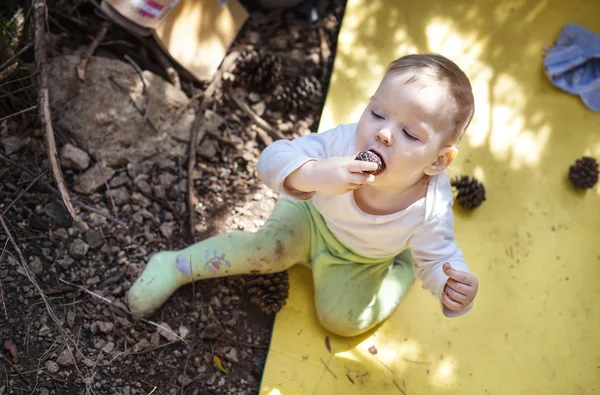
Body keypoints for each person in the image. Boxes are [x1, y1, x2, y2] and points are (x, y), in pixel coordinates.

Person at [127, 53, 479, 337]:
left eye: (410, 134)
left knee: (341, 321)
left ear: (438, 160)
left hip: (362, 260)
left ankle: (400, 271)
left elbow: (438, 257)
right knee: (265, 250)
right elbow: (271, 160)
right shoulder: (341, 143)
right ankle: (175, 266)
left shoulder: (431, 207)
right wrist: (313, 174)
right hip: (310, 216)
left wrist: (451, 286)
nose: (383, 134)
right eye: (376, 113)